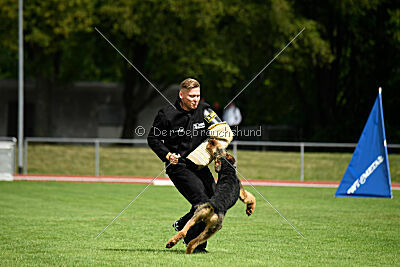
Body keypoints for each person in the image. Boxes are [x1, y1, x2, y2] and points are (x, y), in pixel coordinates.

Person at [147, 78, 229, 253]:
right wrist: (167, 155)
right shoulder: (166, 114)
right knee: (202, 202)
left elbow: (221, 130)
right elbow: (152, 139)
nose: (195, 100)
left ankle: (183, 224)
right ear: (181, 95)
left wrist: (219, 147)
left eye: (198, 95)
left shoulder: (205, 110)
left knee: (216, 200)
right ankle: (195, 244)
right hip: (178, 167)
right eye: (191, 96)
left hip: (199, 165)